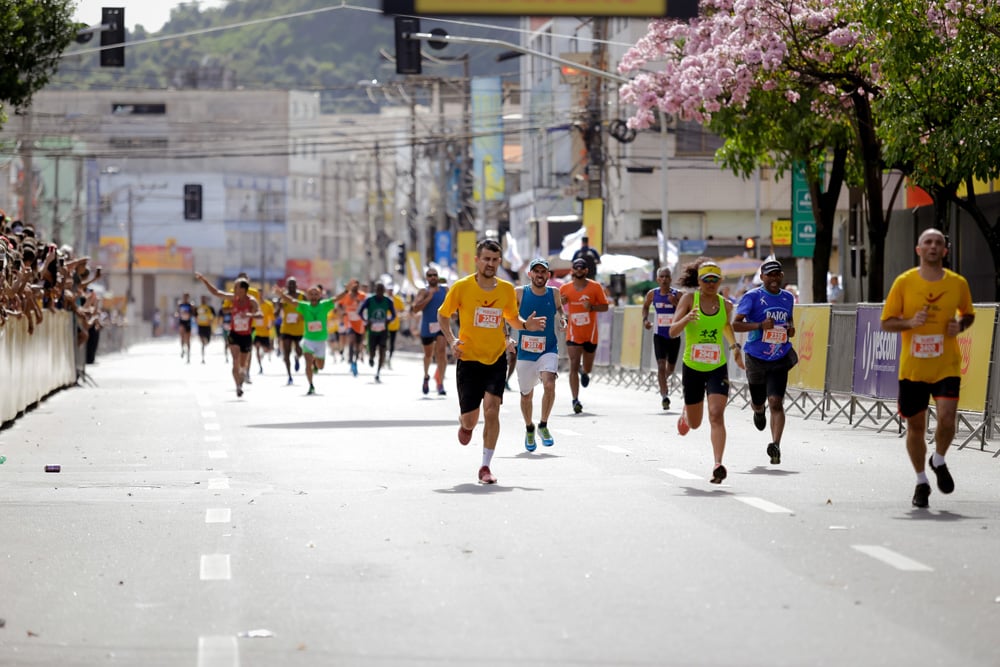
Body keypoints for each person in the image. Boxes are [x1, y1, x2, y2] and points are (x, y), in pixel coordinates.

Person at [437, 238, 546, 485]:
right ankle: (465, 424)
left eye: (495, 260)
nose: (491, 264)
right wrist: (453, 340)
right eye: (486, 259)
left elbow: (512, 319)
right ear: (477, 260)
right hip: (469, 359)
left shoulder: (506, 289)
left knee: (492, 410)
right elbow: (443, 315)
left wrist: (526, 325)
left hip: (496, 357)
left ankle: (486, 465)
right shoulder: (462, 287)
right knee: (470, 420)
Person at [880, 228, 974, 509]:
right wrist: (909, 323)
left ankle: (939, 459)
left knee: (947, 420)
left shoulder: (957, 283)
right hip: (913, 369)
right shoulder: (904, 283)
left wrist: (960, 325)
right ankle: (921, 480)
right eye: (927, 243)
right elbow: (886, 322)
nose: (933, 247)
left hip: (947, 364)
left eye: (938, 243)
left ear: (945, 251)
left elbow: (968, 314)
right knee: (916, 427)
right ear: (918, 250)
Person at [668, 259, 745, 484]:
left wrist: (734, 348)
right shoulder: (689, 299)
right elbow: (672, 331)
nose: (711, 283)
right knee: (695, 423)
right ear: (699, 281)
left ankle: (718, 464)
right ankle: (686, 414)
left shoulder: (727, 305)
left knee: (716, 414)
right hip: (692, 367)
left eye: (715, 280)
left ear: (720, 281)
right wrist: (686, 318)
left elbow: (725, 326)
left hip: (716, 367)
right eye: (706, 280)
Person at [733, 260, 798, 465]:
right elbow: (736, 324)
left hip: (779, 356)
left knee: (776, 402)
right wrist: (760, 325)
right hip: (756, 357)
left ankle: (776, 445)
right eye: (769, 275)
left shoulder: (788, 297)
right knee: (760, 401)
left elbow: (789, 321)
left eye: (777, 274)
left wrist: (790, 329)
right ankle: (758, 411)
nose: (774, 278)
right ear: (762, 277)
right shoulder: (752, 297)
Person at [511, 258, 565, 452]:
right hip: (525, 352)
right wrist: (506, 337)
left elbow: (559, 309)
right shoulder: (519, 293)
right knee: (526, 395)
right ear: (530, 274)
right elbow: (507, 314)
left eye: (543, 272)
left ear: (548, 275)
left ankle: (543, 424)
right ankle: (529, 428)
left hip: (548, 348)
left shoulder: (554, 293)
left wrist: (562, 318)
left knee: (549, 383)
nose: (540, 275)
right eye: (536, 271)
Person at [195, 273, 260, 398]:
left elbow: (260, 314)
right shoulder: (233, 298)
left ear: (243, 289)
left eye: (236, 287)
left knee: (242, 365)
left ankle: (242, 375)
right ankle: (238, 386)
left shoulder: (251, 301)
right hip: (234, 334)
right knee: (235, 360)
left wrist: (249, 315)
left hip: (246, 336)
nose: (234, 290)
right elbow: (216, 292)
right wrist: (204, 280)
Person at [559, 257, 610, 414]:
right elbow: (557, 306)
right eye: (576, 268)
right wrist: (561, 303)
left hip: (590, 334)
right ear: (572, 270)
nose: (579, 270)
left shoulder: (595, 287)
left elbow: (605, 307)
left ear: (586, 270)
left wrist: (593, 307)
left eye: (582, 268)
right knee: (573, 364)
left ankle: (584, 372)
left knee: (587, 367)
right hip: (573, 333)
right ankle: (575, 400)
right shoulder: (565, 288)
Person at [275, 283, 336, 395]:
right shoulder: (304, 306)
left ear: (320, 295)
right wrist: (282, 295)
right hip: (308, 340)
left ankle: (315, 362)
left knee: (320, 366)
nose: (313, 296)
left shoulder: (325, 305)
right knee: (307, 363)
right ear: (307, 296)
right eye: (311, 294)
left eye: (316, 294)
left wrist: (347, 292)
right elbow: (292, 301)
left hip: (321, 341)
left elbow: (336, 299)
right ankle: (311, 385)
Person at [642, 266, 681, 410]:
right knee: (660, 366)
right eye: (662, 277)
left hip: (674, 335)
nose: (664, 279)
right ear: (658, 279)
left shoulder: (678, 295)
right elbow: (645, 307)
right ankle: (665, 396)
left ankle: (662, 382)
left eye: (667, 277)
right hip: (659, 335)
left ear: (671, 279)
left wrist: (675, 303)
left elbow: (686, 312)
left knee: (670, 368)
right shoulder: (652, 294)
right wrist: (645, 320)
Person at [412, 267, 449, 395]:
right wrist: (429, 297)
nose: (433, 277)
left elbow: (452, 304)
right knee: (428, 355)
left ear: (438, 277)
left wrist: (454, 313)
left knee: (442, 352)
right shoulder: (423, 291)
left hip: (441, 326)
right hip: (427, 327)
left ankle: (440, 382)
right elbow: (415, 309)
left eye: (435, 275)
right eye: (430, 275)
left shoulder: (445, 290)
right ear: (427, 278)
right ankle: (426, 376)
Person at [359, 283, 397, 383]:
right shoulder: (369, 300)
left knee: (382, 350)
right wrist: (366, 321)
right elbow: (360, 312)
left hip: (383, 330)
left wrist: (389, 320)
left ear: (383, 290)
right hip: (372, 330)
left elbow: (394, 314)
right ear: (375, 290)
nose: (379, 291)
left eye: (381, 289)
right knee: (372, 349)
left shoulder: (388, 301)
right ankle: (371, 357)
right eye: (378, 289)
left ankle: (378, 372)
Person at [335, 279, 367, 377]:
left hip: (360, 322)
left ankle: (355, 360)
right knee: (351, 341)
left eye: (357, 286)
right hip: (349, 322)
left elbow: (367, 306)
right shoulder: (346, 296)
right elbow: (339, 305)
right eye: (353, 286)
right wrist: (343, 312)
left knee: (358, 344)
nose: (355, 287)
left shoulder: (362, 296)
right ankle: (351, 361)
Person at [277, 277, 305, 384]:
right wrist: (277, 308)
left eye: (293, 285)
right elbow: (277, 312)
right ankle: (289, 375)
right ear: (286, 286)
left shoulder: (302, 296)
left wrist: (304, 316)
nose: (291, 287)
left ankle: (297, 358)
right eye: (289, 285)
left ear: (297, 286)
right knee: (286, 353)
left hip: (299, 329)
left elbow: (308, 309)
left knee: (299, 351)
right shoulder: (283, 297)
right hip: (286, 328)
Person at [252, 293, 275, 375]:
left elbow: (272, 317)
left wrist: (270, 326)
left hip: (265, 331)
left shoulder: (268, 305)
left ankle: (263, 354)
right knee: (257, 347)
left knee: (268, 349)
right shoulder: (253, 304)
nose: (259, 296)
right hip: (256, 331)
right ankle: (260, 366)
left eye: (260, 294)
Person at [386, 285, 405, 370]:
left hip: (394, 325)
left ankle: (389, 358)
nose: (390, 291)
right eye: (389, 290)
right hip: (385, 325)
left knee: (392, 343)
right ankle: (383, 358)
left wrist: (398, 311)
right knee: (383, 343)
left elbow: (402, 309)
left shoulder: (397, 299)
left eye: (391, 290)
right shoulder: (384, 299)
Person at [195, 295, 216, 364]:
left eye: (204, 299)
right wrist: (197, 321)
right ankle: (203, 358)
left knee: (207, 342)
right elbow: (195, 316)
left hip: (207, 327)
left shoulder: (210, 308)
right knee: (202, 342)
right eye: (202, 299)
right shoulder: (198, 308)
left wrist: (211, 321)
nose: (203, 300)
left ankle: (204, 344)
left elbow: (214, 316)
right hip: (200, 326)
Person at [175, 293, 195, 363]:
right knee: (182, 336)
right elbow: (177, 312)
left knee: (188, 339)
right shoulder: (180, 305)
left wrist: (189, 314)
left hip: (188, 322)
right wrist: (177, 314)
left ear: (188, 298)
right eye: (184, 297)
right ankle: (182, 349)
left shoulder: (190, 305)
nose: (185, 298)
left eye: (186, 297)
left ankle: (188, 356)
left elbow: (193, 313)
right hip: (182, 322)